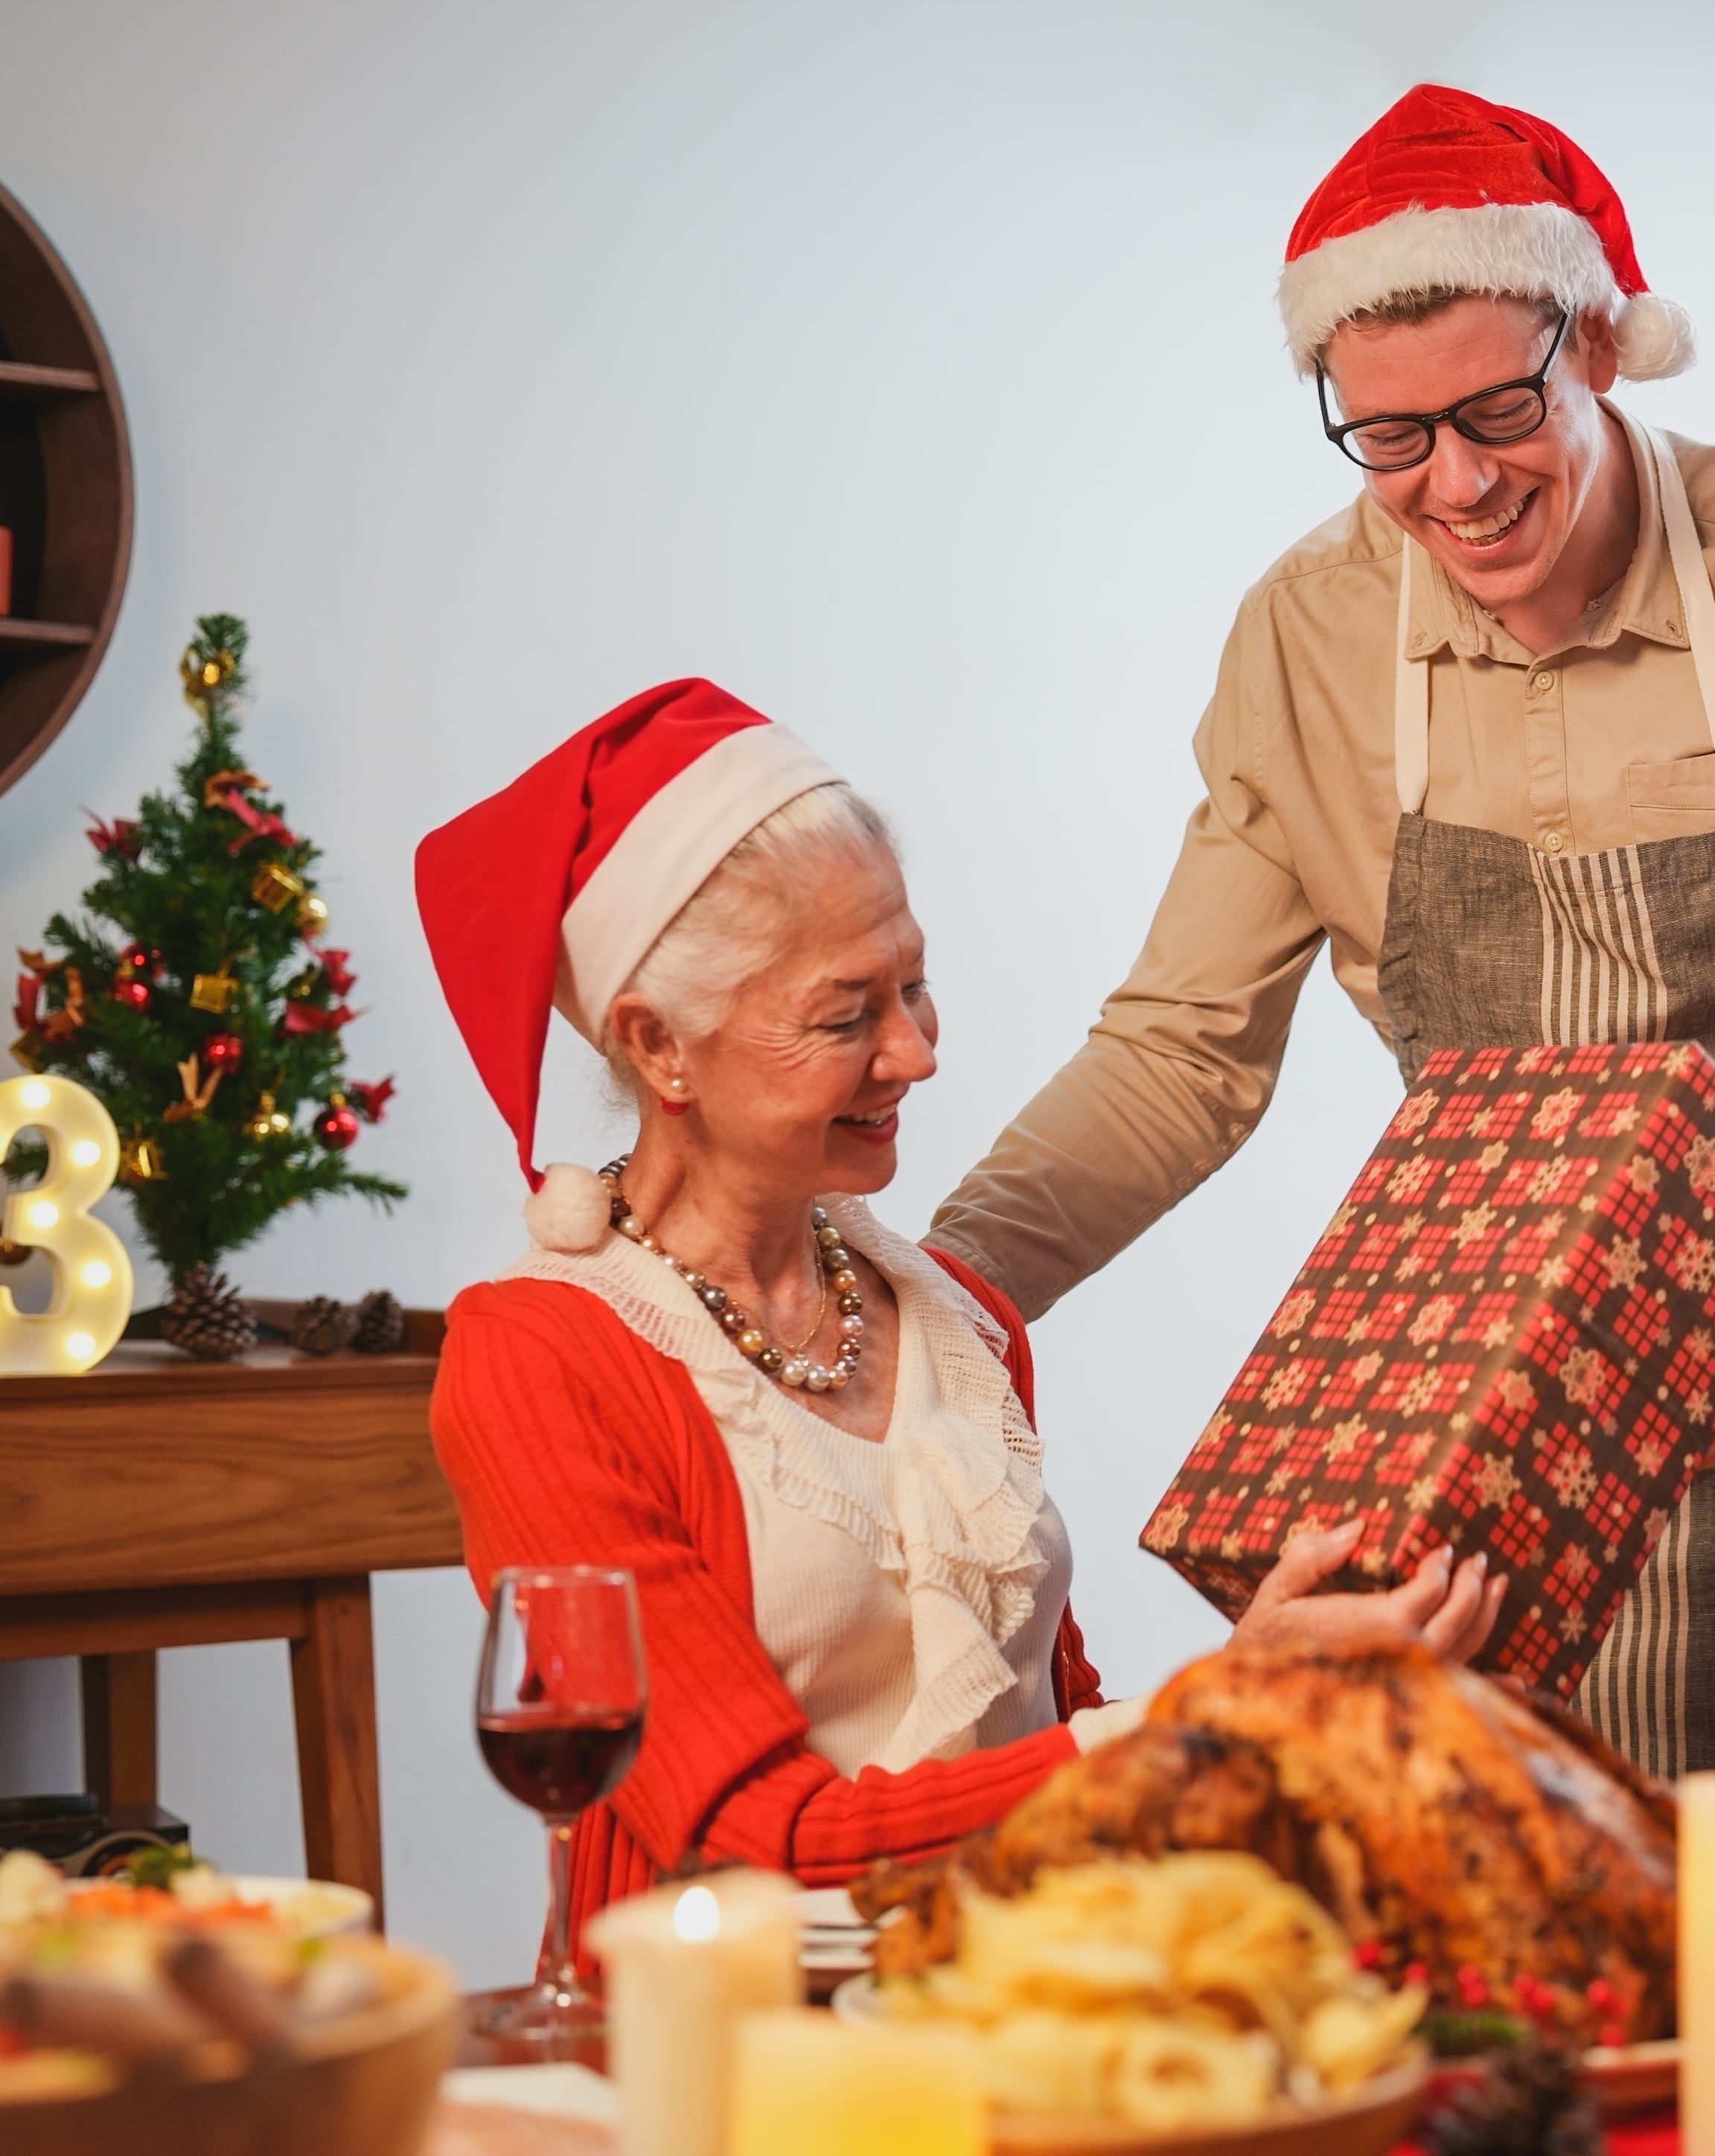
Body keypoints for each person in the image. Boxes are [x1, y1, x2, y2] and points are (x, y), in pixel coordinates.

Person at [927, 87, 1715, 1866]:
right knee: (1499, 1958)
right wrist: (936, 1294)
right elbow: (1179, 1051)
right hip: (1476, 1451)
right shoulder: (1308, 631)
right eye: (1386, 438)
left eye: (1500, 412)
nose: (1453, 485)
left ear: (1599, 341)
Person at [413, 682, 1498, 1939]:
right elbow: (767, 1843)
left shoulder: (960, 1321)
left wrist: (1281, 1676)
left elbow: (1049, 1734)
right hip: (736, 2068)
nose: (917, 1053)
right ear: (659, 1046)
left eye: (914, 986)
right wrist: (1219, 1708)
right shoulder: (541, 1358)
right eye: (846, 1013)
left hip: (1010, 2011)